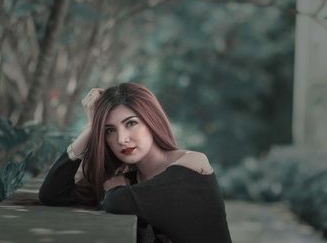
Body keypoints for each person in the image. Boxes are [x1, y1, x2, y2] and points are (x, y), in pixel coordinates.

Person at [39, 82, 232, 243]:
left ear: (151, 120)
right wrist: (91, 128)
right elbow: (52, 194)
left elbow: (116, 201)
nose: (121, 139)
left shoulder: (193, 163)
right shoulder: (126, 182)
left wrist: (114, 189)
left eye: (130, 123)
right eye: (109, 130)